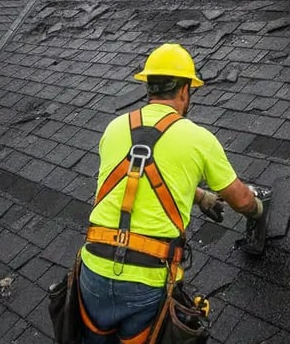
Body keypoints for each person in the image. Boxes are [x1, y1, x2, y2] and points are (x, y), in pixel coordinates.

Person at [78, 43, 263, 343]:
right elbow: (241, 199)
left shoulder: (113, 128)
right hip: (145, 280)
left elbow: (139, 179)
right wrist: (259, 211)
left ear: (149, 86)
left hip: (92, 271)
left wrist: (200, 196)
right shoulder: (198, 139)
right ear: (184, 90)